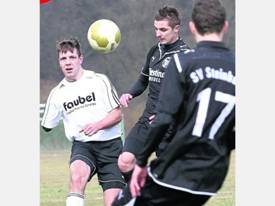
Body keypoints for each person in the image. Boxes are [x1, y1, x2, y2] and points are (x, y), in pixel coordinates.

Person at [129, 0, 235, 205]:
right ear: (225, 26)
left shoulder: (182, 62)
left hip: (179, 167)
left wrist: (141, 162)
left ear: (192, 27)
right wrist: (221, 143)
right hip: (213, 175)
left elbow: (163, 119)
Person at [41, 38, 126, 206]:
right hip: (83, 146)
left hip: (111, 148)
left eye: (72, 57)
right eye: (63, 59)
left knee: (114, 203)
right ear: (59, 63)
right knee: (77, 177)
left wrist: (98, 125)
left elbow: (117, 115)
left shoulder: (98, 81)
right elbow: (47, 126)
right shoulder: (57, 93)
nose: (68, 63)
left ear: (80, 59)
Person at [118, 5, 189, 181]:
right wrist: (130, 94)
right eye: (156, 29)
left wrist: (168, 115)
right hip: (147, 121)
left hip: (170, 127)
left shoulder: (186, 57)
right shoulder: (153, 51)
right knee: (125, 161)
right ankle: (138, 196)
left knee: (167, 177)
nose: (158, 34)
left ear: (177, 29)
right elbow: (143, 81)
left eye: (163, 29)